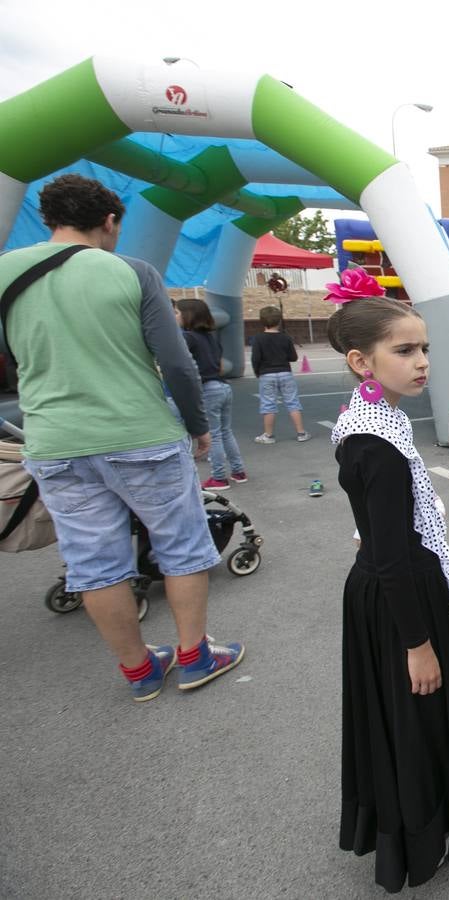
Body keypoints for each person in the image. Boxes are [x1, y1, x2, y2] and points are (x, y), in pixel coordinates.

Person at [0, 173, 242, 701]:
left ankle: (139, 671)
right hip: (141, 434)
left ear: (49, 220)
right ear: (110, 221)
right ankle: (195, 654)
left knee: (94, 563)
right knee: (181, 547)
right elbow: (175, 362)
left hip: (55, 440)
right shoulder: (133, 272)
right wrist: (198, 426)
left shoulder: (5, 273)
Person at [327, 292, 449, 892]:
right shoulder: (373, 440)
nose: (422, 361)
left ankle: (437, 817)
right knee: (413, 713)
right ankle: (419, 834)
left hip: (399, 582)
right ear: (362, 361)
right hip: (398, 596)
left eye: (425, 348)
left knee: (421, 715)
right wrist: (417, 643)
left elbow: (378, 532)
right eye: (404, 350)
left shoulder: (377, 416)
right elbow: (386, 552)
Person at [175, 298, 247, 489]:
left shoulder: (187, 338)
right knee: (225, 431)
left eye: (176, 313)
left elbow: (180, 364)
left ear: (187, 315)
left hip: (208, 389)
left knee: (213, 434)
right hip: (223, 387)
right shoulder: (211, 337)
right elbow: (221, 365)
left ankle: (218, 477)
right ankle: (238, 471)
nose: (174, 317)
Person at [251, 305, 309, 443]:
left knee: (268, 404)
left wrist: (258, 372)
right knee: (292, 402)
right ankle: (301, 433)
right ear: (279, 322)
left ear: (262, 321)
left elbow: (255, 358)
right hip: (285, 373)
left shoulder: (258, 338)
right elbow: (293, 357)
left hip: (266, 374)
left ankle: (268, 435)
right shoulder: (285, 337)